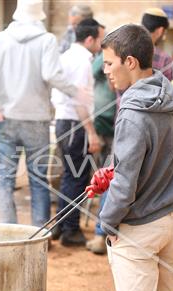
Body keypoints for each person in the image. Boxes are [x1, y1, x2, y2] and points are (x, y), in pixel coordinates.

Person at [88, 24, 173, 291]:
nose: (105, 71)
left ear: (130, 61)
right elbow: (167, 156)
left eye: (109, 63)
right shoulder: (169, 95)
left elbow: (126, 185)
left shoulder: (132, 112)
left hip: (140, 228)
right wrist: (117, 168)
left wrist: (106, 222)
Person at [0, 0, 85, 227]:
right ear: (39, 16)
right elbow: (51, 74)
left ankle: (8, 230)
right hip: (37, 119)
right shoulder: (46, 40)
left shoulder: (0, 39)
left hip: (6, 118)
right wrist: (76, 92)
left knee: (5, 179)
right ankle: (40, 233)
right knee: (38, 179)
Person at [51, 18, 103, 246]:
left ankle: (61, 224)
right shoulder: (82, 61)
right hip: (75, 123)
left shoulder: (65, 57)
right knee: (77, 177)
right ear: (90, 38)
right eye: (100, 38)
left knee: (70, 176)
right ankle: (70, 229)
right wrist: (91, 132)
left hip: (64, 121)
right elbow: (79, 100)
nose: (101, 44)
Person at [86, 51, 117, 255]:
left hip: (113, 125)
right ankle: (101, 233)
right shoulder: (102, 65)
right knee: (106, 181)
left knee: (108, 181)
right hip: (102, 125)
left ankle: (101, 233)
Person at [141, 8, 173, 81]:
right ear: (160, 31)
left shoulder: (127, 49)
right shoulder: (165, 59)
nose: (163, 38)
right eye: (164, 33)